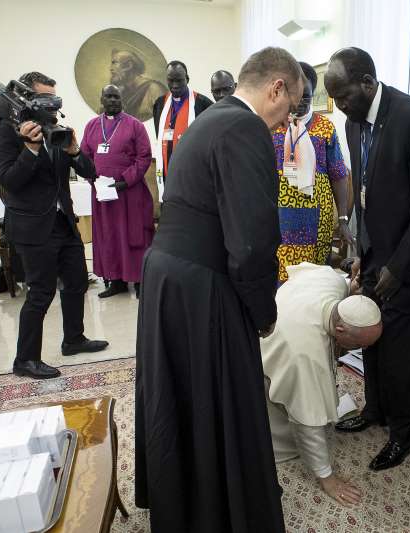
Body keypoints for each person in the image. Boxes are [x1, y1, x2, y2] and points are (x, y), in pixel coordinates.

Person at [135, 47, 303, 533]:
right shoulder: (245, 127)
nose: (284, 122)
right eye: (289, 106)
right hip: (201, 284)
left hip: (169, 273)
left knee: (182, 397)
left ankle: (186, 496)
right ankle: (220, 507)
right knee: (221, 397)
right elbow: (251, 243)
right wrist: (261, 311)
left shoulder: (211, 119)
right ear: (276, 88)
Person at [323, 47, 410, 471]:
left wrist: (400, 266)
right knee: (368, 340)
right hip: (376, 256)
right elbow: (364, 195)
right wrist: (361, 249)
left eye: (344, 98)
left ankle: (402, 433)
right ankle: (373, 410)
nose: (339, 107)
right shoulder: (354, 123)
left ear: (367, 83)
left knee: (401, 355)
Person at [0, 71, 109, 380]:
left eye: (55, 99)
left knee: (77, 282)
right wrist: (30, 149)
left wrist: (74, 151)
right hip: (32, 227)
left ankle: (74, 339)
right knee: (40, 293)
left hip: (62, 222)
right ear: (26, 99)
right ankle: (25, 359)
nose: (52, 106)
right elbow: (10, 181)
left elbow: (89, 171)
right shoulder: (6, 130)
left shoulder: (56, 128)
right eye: (45, 99)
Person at [262, 262, 381, 507]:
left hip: (281, 325)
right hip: (263, 363)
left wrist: (351, 286)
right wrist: (327, 478)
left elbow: (343, 284)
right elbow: (308, 425)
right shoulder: (306, 356)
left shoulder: (333, 280)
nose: (364, 350)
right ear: (339, 329)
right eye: (360, 345)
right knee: (299, 412)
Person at [271, 61, 353, 283]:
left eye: (305, 96)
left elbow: (338, 174)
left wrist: (343, 219)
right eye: (294, 95)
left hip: (317, 217)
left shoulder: (325, 127)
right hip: (279, 216)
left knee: (312, 281)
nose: (298, 102)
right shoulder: (273, 125)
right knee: (282, 279)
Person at [80, 85, 153, 299]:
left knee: (134, 235)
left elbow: (144, 157)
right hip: (104, 195)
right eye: (108, 96)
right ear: (101, 99)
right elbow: (85, 158)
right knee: (109, 236)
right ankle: (116, 280)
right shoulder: (92, 126)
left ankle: (140, 281)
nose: (112, 100)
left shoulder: (135, 125)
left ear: (123, 100)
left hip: (130, 193)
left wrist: (124, 181)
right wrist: (93, 178)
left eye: (116, 97)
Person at [152, 60, 213, 195]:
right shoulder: (160, 104)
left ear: (187, 79)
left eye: (179, 80)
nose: (174, 86)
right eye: (170, 80)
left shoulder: (203, 105)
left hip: (193, 176)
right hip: (166, 174)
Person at [109, 48, 165, 122]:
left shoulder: (154, 90)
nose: (110, 68)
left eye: (114, 63)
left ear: (129, 65)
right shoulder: (122, 92)